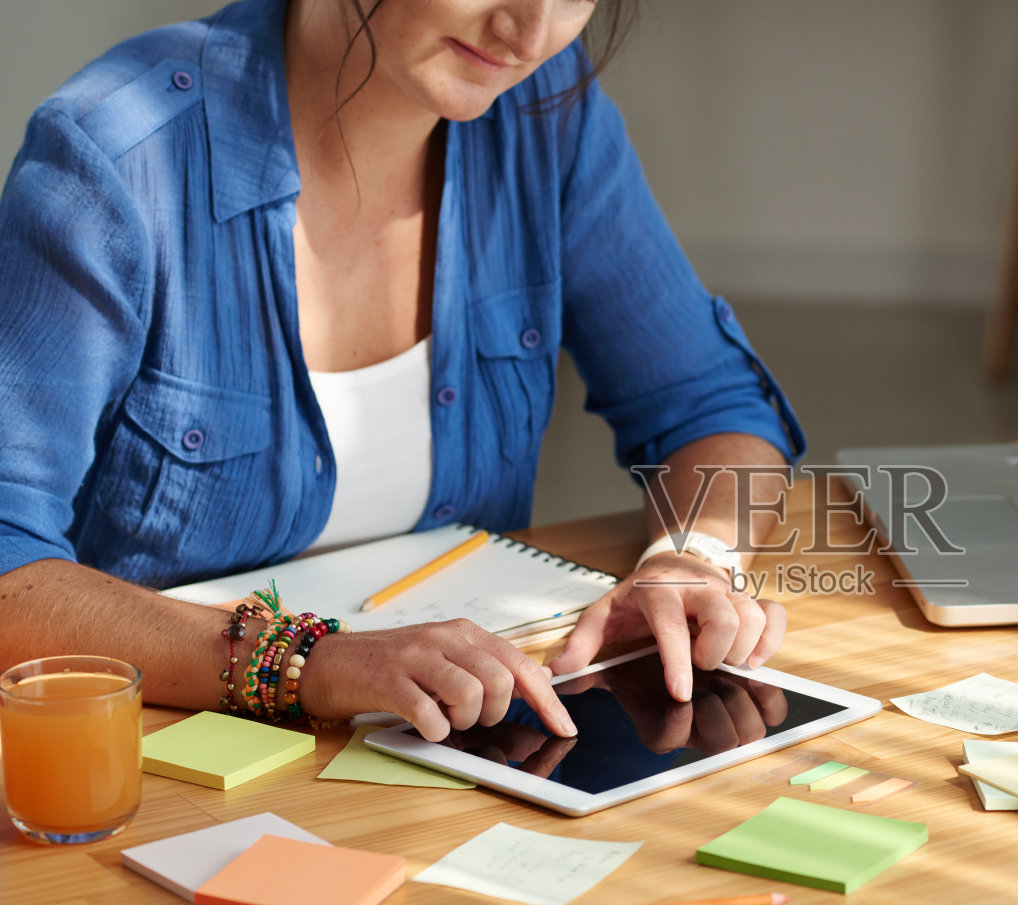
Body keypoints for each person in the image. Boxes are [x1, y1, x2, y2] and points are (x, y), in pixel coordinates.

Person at [0, 0, 805, 743]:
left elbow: (709, 403)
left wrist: (694, 557)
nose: (529, 33)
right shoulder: (118, 157)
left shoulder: (545, 115)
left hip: (453, 748)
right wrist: (312, 662)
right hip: (163, 763)